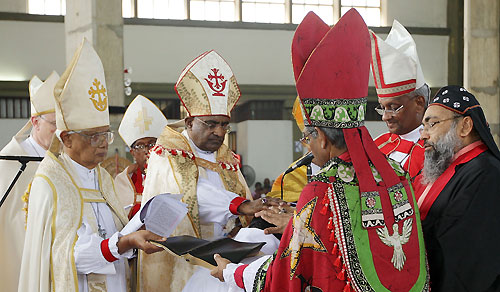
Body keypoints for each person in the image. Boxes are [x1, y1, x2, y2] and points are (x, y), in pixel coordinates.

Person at [210, 10, 429, 292]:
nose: (307, 145)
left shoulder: (322, 189)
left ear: (323, 138)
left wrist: (233, 272)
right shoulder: (397, 173)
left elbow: (285, 275)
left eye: (307, 137)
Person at [18, 39, 163, 292]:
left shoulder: (103, 178)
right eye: (92, 136)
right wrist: (124, 242)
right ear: (66, 138)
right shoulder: (50, 182)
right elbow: (65, 256)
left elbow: (114, 234)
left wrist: (133, 231)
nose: (102, 144)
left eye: (105, 135)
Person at [139, 50, 279, 292]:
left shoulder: (226, 158)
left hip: (228, 257)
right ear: (189, 122)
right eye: (211, 124)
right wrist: (239, 205)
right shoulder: (168, 155)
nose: (220, 132)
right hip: (183, 264)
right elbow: (186, 196)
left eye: (224, 124)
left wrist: (262, 212)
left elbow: (246, 206)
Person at [418, 85, 500, 291]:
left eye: (432, 124)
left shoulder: (486, 173)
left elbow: (468, 259)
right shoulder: (451, 168)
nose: (423, 135)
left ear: (465, 126)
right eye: (423, 127)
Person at [0, 71, 58, 292]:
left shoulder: (66, 160)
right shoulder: (10, 162)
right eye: (54, 124)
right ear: (35, 122)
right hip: (22, 255)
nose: (60, 132)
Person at [370, 20, 429, 193]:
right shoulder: (377, 146)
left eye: (394, 107)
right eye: (382, 107)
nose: (385, 116)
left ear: (419, 103)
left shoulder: (437, 147)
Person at [115, 94, 167, 219]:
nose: (147, 151)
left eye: (152, 144)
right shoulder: (125, 181)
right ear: (132, 153)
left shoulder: (171, 176)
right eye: (140, 146)